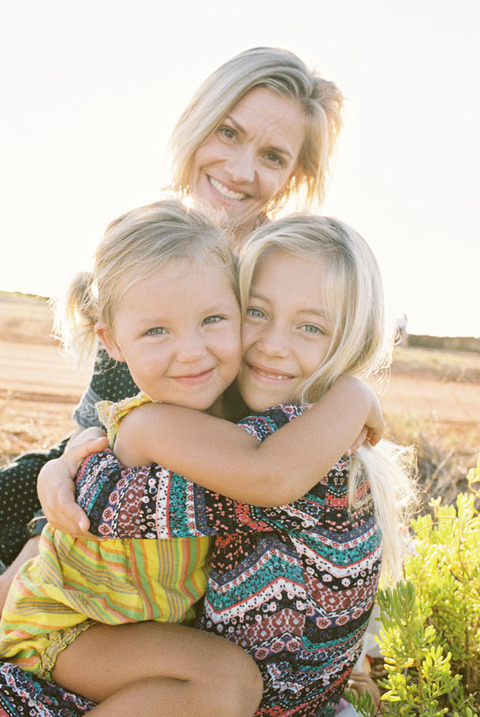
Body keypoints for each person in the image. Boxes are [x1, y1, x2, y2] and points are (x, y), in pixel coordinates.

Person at [28, 213, 414, 715]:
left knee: (223, 680)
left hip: (141, 638)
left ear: (351, 341)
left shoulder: (309, 453)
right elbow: (263, 474)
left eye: (311, 326)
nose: (273, 344)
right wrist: (355, 396)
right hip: (79, 630)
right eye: (256, 312)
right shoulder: (197, 427)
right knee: (223, 680)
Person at [0, 46, 343, 588]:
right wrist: (59, 469)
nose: (240, 170)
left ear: (294, 176)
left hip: (188, 515)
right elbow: (101, 417)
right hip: (110, 468)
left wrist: (44, 539)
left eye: (273, 156)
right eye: (228, 133)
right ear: (196, 124)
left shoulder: (278, 279)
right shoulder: (151, 244)